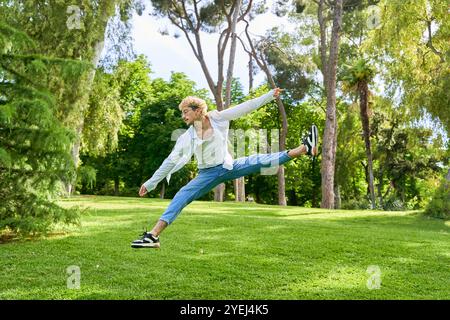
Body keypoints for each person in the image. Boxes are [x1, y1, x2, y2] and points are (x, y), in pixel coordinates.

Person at [131, 88, 318, 248]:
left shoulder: (217, 118)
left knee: (258, 160)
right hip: (207, 173)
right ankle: (153, 236)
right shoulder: (186, 137)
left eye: (186, 111)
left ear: (198, 111)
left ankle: (304, 148)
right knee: (182, 195)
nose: (183, 116)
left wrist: (270, 95)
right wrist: (151, 183)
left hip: (227, 166)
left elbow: (245, 107)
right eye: (182, 113)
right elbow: (170, 161)